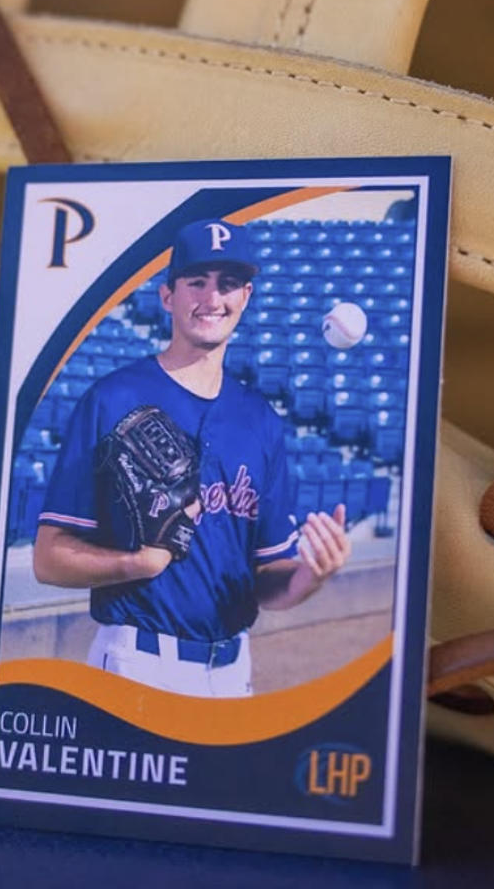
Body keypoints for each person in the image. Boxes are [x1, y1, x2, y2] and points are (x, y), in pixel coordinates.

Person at [33, 218, 351, 697]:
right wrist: (135, 564)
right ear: (168, 297)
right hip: (136, 663)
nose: (212, 299)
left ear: (245, 296)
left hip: (232, 670)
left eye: (226, 285)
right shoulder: (111, 399)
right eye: (196, 282)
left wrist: (310, 577)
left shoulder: (261, 420)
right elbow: (47, 558)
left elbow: (266, 579)